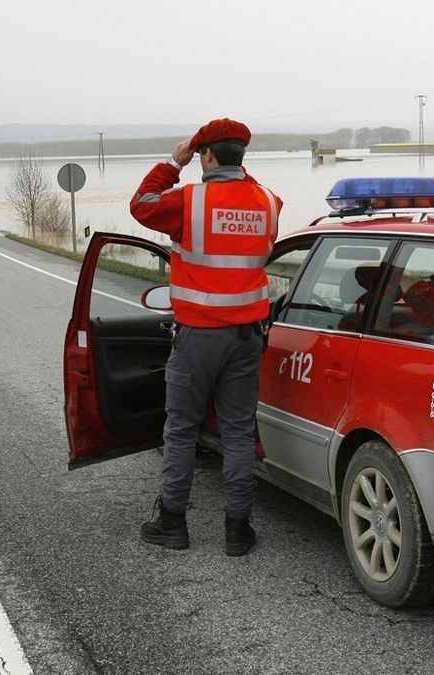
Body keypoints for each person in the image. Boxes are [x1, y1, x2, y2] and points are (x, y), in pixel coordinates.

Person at [129, 118, 282, 556]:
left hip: (198, 338)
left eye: (199, 156)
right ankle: (238, 530)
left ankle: (172, 523)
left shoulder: (188, 203)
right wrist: (232, 165)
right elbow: (247, 195)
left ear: (206, 157)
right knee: (237, 433)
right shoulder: (269, 202)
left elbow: (141, 205)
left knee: (180, 430)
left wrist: (172, 162)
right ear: (241, 156)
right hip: (246, 339)